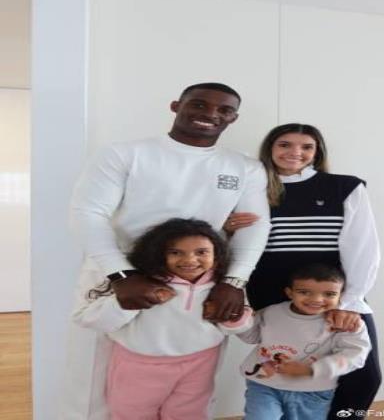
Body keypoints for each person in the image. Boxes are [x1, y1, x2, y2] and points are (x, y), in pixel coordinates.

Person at [61, 83, 271, 419]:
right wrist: (122, 274)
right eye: (199, 104)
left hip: (199, 277)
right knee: (97, 384)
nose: (210, 114)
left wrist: (234, 281)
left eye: (223, 110)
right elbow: (87, 213)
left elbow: (255, 226)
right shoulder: (124, 154)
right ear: (176, 106)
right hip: (120, 272)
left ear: (233, 118)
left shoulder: (244, 167)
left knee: (193, 389)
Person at [224, 123, 381, 419]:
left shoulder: (345, 187)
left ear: (317, 152)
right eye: (285, 144)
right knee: (285, 372)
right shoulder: (252, 189)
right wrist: (226, 230)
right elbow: (235, 246)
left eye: (306, 147)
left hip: (330, 296)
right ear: (270, 148)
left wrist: (350, 302)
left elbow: (363, 248)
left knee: (364, 377)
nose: (295, 152)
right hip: (271, 293)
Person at [73, 218, 253, 420]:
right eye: (176, 252)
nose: (190, 260)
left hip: (201, 362)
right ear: (160, 254)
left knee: (190, 413)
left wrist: (228, 316)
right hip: (141, 364)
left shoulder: (224, 286)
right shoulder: (143, 282)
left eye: (201, 252)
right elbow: (95, 320)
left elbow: (241, 325)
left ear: (216, 255)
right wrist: (135, 301)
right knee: (132, 412)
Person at [238, 263, 371, 420]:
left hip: (313, 391)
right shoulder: (271, 312)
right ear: (289, 293)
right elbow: (251, 337)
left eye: (329, 294)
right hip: (263, 386)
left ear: (341, 295)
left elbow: (355, 355)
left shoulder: (345, 323)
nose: (317, 299)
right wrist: (236, 319)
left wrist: (313, 369)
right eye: (304, 292)